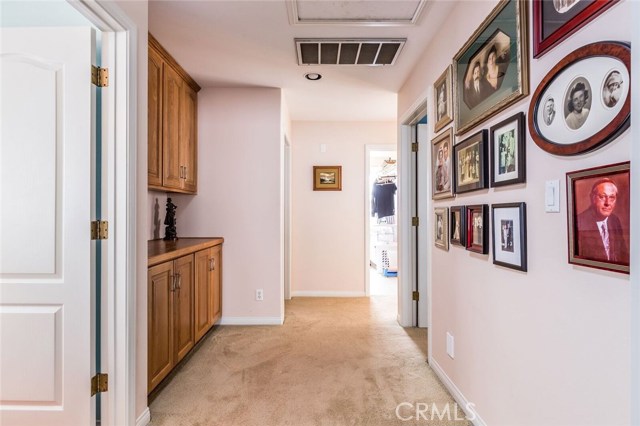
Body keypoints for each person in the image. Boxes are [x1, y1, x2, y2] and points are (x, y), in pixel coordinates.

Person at [576, 178, 628, 264]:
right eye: (602, 197)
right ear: (592, 198)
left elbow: (623, 255)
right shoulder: (579, 222)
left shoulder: (615, 220)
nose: (607, 203)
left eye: (612, 197)